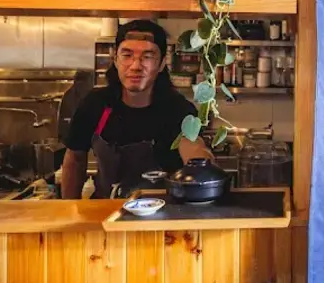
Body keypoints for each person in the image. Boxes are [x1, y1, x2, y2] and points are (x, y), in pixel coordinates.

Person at [61, 20, 212, 198]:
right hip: (105, 208)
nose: (136, 66)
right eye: (127, 55)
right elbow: (75, 159)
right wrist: (69, 207)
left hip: (163, 209)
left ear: (162, 64)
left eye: (147, 57)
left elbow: (194, 150)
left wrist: (202, 163)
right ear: (115, 60)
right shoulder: (95, 104)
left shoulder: (179, 110)